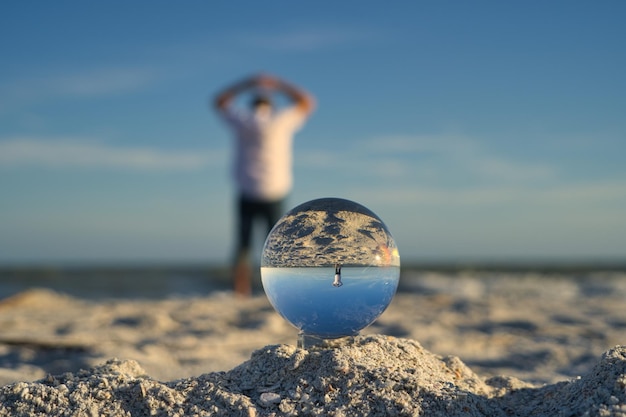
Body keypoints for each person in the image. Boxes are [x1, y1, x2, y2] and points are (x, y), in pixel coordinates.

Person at [213, 73, 316, 296]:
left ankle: (241, 291)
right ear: (271, 105)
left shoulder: (243, 120)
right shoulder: (281, 119)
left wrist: (247, 83)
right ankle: (279, 291)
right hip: (275, 189)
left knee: (243, 245)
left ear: (252, 106)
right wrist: (278, 84)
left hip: (247, 189)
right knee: (277, 245)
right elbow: (307, 101)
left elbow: (219, 102)